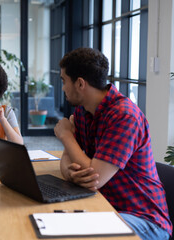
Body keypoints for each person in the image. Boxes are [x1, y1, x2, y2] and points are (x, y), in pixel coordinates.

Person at [54, 47, 172, 240]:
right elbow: (70, 158)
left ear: (80, 84)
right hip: (106, 206)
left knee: (73, 234)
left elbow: (96, 177)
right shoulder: (83, 113)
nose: (63, 88)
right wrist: (70, 173)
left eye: (64, 81)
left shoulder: (125, 116)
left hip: (144, 218)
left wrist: (66, 135)